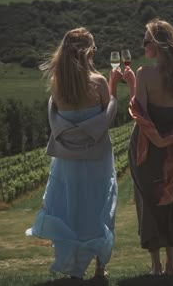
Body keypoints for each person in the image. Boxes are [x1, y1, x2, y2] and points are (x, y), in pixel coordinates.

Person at [26, 27, 122, 280]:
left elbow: (58, 118)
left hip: (67, 163)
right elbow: (107, 116)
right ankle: (100, 267)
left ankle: (73, 270)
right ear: (89, 51)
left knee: (70, 209)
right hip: (97, 161)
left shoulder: (57, 85)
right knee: (100, 206)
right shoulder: (98, 82)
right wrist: (114, 92)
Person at [121, 18, 173, 276]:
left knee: (148, 201)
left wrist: (159, 140)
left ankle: (155, 267)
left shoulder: (144, 74)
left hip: (145, 148)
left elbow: (141, 115)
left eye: (146, 41)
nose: (143, 45)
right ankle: (170, 266)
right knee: (169, 199)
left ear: (158, 45)